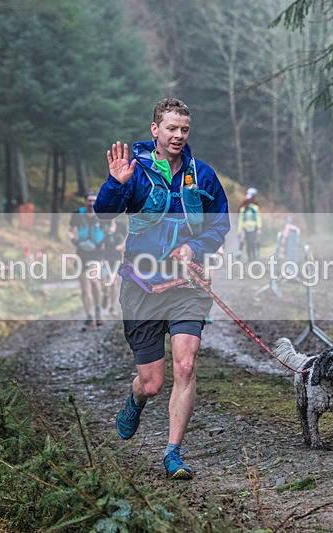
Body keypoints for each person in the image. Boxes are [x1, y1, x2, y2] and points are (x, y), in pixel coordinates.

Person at [94, 97, 230, 480]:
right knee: (153, 383)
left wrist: (197, 246)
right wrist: (114, 183)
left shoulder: (202, 175)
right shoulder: (135, 170)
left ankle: (173, 452)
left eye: (184, 129)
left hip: (187, 284)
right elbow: (104, 213)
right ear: (155, 129)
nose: (178, 135)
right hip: (141, 286)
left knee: (185, 364)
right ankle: (135, 398)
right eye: (171, 128)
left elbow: (220, 224)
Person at [68, 189, 106, 330]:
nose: (91, 203)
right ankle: (89, 316)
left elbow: (112, 226)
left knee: (94, 280)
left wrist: (106, 239)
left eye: (94, 200)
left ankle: (98, 309)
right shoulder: (78, 214)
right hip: (81, 253)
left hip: (97, 254)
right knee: (84, 288)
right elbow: (69, 230)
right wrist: (73, 239)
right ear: (85, 201)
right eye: (89, 200)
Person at [101, 216, 127, 317]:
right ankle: (105, 295)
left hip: (116, 257)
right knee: (104, 283)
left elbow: (127, 237)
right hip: (104, 257)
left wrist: (122, 245)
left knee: (114, 282)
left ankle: (112, 307)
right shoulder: (102, 225)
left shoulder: (121, 225)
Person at [237, 187, 262, 262]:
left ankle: (254, 257)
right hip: (246, 229)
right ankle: (250, 258)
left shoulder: (255, 208)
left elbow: (258, 218)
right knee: (248, 244)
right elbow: (241, 220)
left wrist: (259, 228)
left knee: (252, 243)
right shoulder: (243, 209)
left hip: (253, 228)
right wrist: (240, 231)